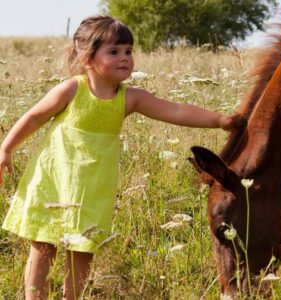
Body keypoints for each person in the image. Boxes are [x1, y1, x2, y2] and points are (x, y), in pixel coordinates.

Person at [0, 15, 235, 299]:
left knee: (83, 248)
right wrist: (6, 148)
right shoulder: (73, 89)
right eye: (113, 52)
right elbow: (35, 117)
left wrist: (221, 120)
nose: (124, 58)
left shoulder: (130, 98)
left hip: (94, 188)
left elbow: (176, 111)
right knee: (43, 247)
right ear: (87, 58)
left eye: (128, 51)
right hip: (54, 181)